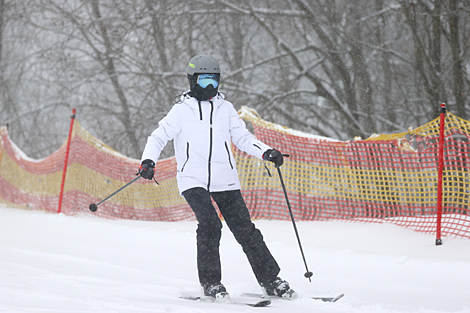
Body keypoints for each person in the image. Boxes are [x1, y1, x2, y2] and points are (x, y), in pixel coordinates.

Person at [138, 55, 296, 302]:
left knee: (246, 230)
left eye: (213, 80)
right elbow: (158, 137)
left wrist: (266, 151)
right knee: (210, 225)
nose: (209, 87)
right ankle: (211, 283)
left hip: (225, 178)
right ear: (193, 81)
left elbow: (242, 138)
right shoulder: (180, 111)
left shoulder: (226, 109)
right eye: (204, 80)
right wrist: (148, 161)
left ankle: (271, 280)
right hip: (192, 178)